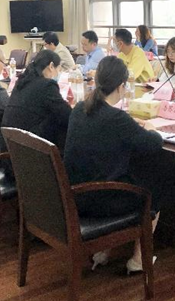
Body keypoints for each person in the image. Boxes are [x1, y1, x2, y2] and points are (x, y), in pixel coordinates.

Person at [64, 56, 162, 273]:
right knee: (153, 188)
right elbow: (153, 144)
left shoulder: (79, 109)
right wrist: (152, 128)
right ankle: (138, 260)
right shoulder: (117, 118)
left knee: (123, 172)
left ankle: (103, 251)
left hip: (73, 197)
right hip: (100, 202)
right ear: (121, 86)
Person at [2, 50, 72, 151]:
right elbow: (66, 114)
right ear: (51, 66)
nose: (58, 74)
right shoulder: (47, 85)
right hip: (31, 148)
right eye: (58, 69)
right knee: (59, 121)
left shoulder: (21, 82)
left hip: (10, 146)